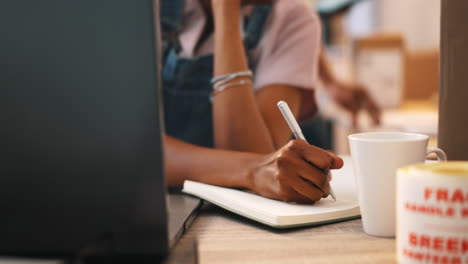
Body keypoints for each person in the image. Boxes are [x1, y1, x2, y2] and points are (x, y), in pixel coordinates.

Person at [160, 0, 344, 204]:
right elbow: (131, 150)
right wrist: (251, 170)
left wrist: (226, 14)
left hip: (238, 213)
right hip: (151, 205)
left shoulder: (291, 18)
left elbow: (258, 158)